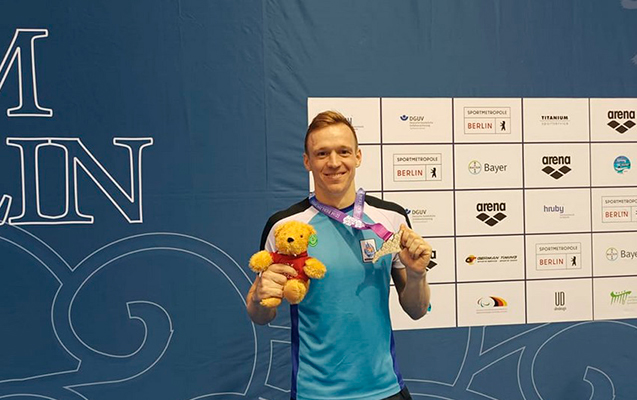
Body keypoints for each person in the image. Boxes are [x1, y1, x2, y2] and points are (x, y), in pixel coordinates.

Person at [246, 110, 432, 400]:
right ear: (307, 161)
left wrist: (418, 274)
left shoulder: (392, 219)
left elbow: (417, 310)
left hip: (386, 390)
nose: (334, 163)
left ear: (358, 156)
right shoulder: (284, 227)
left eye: (343, 151)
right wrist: (259, 296)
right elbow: (260, 314)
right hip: (316, 393)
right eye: (322, 153)